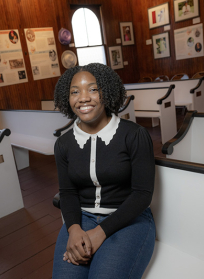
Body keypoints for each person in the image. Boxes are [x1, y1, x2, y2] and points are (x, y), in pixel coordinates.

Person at [52, 63, 156, 279]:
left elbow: (142, 195)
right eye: (75, 92)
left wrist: (100, 233)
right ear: (67, 98)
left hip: (128, 221)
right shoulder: (63, 144)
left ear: (106, 92)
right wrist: (73, 229)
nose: (83, 98)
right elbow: (68, 193)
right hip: (81, 219)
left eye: (92, 89)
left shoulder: (134, 135)